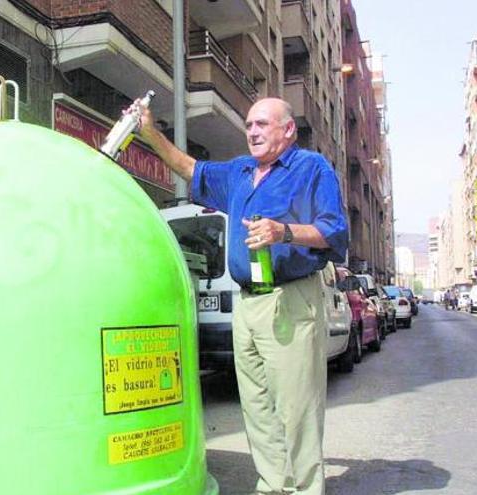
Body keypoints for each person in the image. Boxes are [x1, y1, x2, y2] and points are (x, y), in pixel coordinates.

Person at [137, 97, 348, 495]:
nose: (252, 131)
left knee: (296, 408)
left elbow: (333, 231)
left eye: (262, 124)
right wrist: (150, 133)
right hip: (246, 302)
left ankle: (306, 489)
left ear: (287, 130)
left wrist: (283, 232)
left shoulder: (311, 169)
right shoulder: (241, 172)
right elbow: (188, 168)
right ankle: (273, 486)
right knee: (257, 407)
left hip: (290, 299)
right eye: (249, 124)